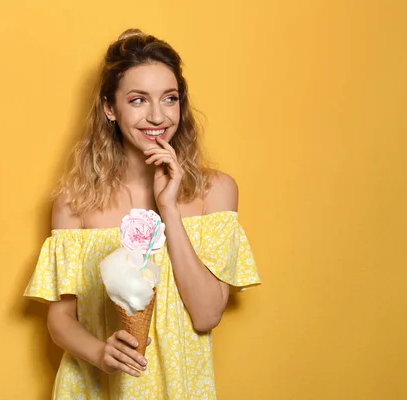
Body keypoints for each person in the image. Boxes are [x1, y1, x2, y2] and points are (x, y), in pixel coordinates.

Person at [24, 28, 261, 399]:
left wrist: (167, 207)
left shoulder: (216, 191)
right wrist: (100, 353)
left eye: (169, 98)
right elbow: (60, 322)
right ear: (109, 109)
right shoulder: (76, 202)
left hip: (180, 387)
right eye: (137, 100)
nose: (157, 116)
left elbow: (207, 315)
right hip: (97, 388)